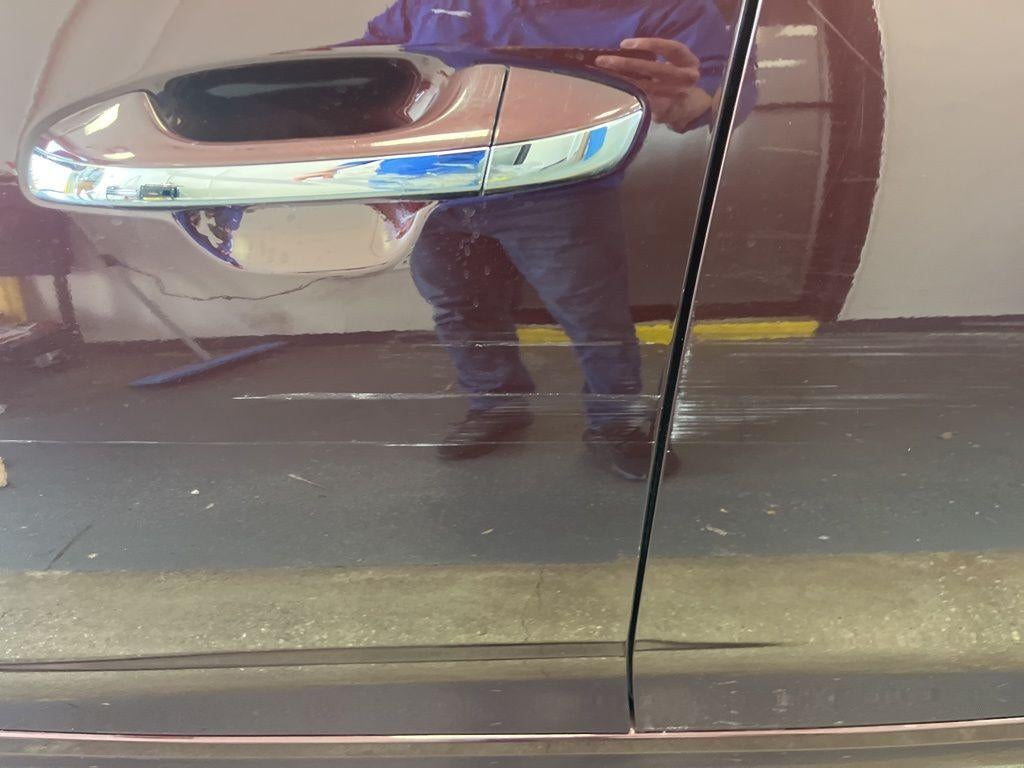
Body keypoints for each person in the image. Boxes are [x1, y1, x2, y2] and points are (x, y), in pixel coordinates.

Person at [355, 0, 737, 480]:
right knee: (460, 307)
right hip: (435, 186)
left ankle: (616, 424)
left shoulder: (666, 8)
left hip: (559, 189)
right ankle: (497, 405)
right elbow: (371, 57)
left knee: (592, 316)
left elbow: (724, 85)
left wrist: (701, 102)